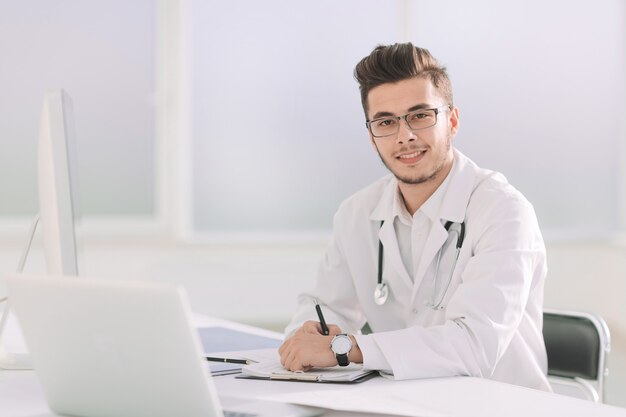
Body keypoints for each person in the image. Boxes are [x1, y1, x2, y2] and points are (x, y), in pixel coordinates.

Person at [278, 42, 550, 391]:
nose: (404, 136)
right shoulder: (356, 214)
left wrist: (344, 349)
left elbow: (474, 348)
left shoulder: (503, 212)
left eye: (420, 115)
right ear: (372, 137)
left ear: (451, 121)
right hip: (407, 402)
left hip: (500, 405)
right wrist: (309, 336)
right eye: (386, 122)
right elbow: (324, 307)